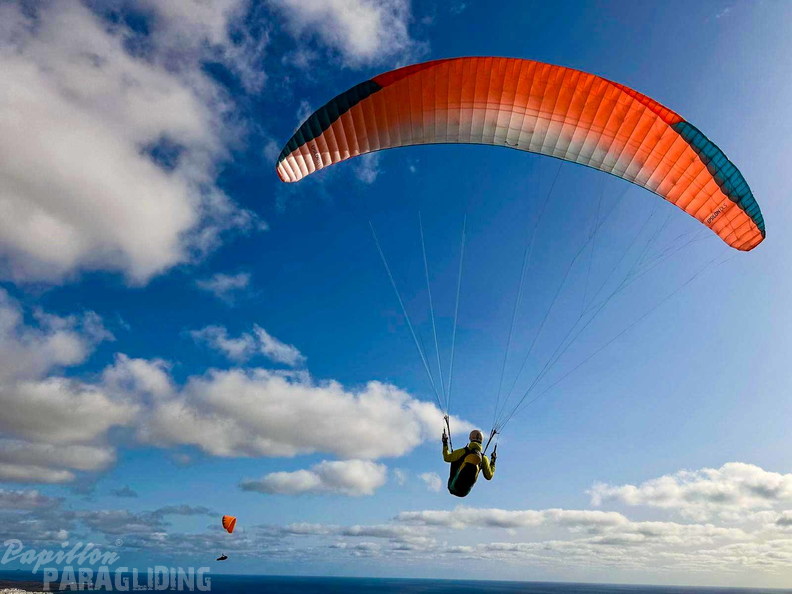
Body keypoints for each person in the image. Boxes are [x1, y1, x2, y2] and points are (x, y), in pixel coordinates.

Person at [442, 429, 496, 497]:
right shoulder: (484, 459)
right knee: (473, 463)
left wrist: (445, 443)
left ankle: (468, 463)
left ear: (470, 438)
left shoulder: (462, 451)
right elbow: (489, 476)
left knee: (466, 462)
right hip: (465, 492)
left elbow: (447, 457)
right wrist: (493, 461)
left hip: (453, 486)